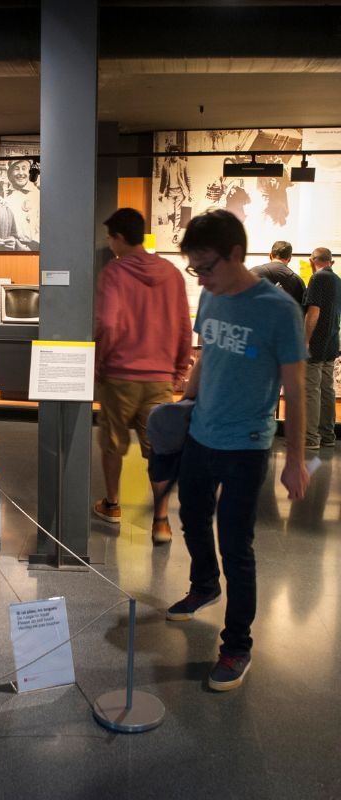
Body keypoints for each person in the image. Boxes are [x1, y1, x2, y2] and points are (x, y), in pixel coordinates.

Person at [167, 209, 309, 692]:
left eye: (206, 266)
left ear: (235, 255)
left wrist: (293, 460)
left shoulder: (279, 310)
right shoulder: (210, 297)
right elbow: (207, 354)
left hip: (247, 446)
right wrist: (184, 398)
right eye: (194, 269)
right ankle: (204, 586)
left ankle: (236, 646)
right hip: (202, 434)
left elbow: (296, 386)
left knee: (237, 546)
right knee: (190, 517)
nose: (201, 278)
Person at [93, 208, 192, 544]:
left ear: (119, 237)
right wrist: (178, 369)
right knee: (159, 449)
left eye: (110, 237)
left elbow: (107, 323)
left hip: (120, 375)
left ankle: (112, 504)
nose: (110, 244)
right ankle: (161, 521)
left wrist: (100, 362)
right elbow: (183, 325)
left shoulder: (114, 272)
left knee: (112, 444)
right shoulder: (171, 272)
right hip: (160, 377)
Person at [303, 247, 341, 449]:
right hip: (332, 342)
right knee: (327, 389)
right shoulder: (338, 281)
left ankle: (310, 437)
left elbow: (314, 311)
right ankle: (328, 435)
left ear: (311, 261)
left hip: (316, 344)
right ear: (331, 262)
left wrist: (305, 340)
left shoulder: (317, 279)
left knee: (311, 389)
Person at [249, 240, 306, 307]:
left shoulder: (254, 272)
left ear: (270, 255)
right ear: (289, 258)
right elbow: (301, 311)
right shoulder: (297, 280)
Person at [158, 145, 191, 244]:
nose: (174, 156)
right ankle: (173, 226)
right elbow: (163, 180)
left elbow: (188, 179)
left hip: (180, 191)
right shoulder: (165, 165)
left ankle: (175, 232)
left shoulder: (183, 164)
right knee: (170, 210)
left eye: (176, 154)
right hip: (170, 192)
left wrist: (189, 193)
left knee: (177, 211)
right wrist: (161, 193)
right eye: (172, 154)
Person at [4, 158, 40, 248]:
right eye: (16, 169)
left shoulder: (39, 194)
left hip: (37, 246)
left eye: (24, 168)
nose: (20, 173)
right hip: (15, 247)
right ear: (10, 174)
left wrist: (34, 246)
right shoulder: (6, 200)